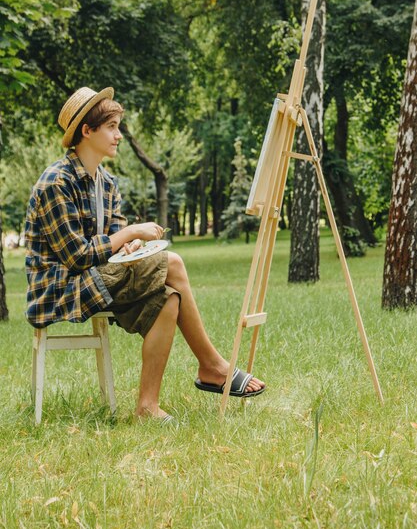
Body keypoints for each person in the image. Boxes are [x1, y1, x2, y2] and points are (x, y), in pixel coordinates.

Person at [25, 86, 265, 422]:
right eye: (111, 127)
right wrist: (131, 233)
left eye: (118, 126)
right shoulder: (56, 183)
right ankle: (213, 366)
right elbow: (76, 257)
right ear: (87, 131)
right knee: (174, 263)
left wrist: (132, 246)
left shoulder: (106, 183)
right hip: (60, 288)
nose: (119, 135)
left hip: (98, 280)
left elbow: (115, 245)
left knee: (169, 300)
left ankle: (146, 407)